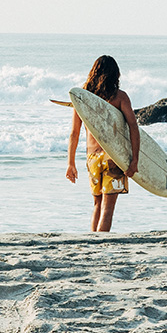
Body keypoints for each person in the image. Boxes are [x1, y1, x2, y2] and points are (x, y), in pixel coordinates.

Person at [66, 55, 139, 232]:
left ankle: (93, 243)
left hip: (92, 159)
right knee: (108, 208)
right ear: (115, 75)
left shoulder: (83, 97)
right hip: (112, 156)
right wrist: (134, 160)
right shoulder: (120, 97)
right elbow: (133, 127)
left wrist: (71, 163)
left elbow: (74, 133)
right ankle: (100, 246)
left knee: (97, 205)